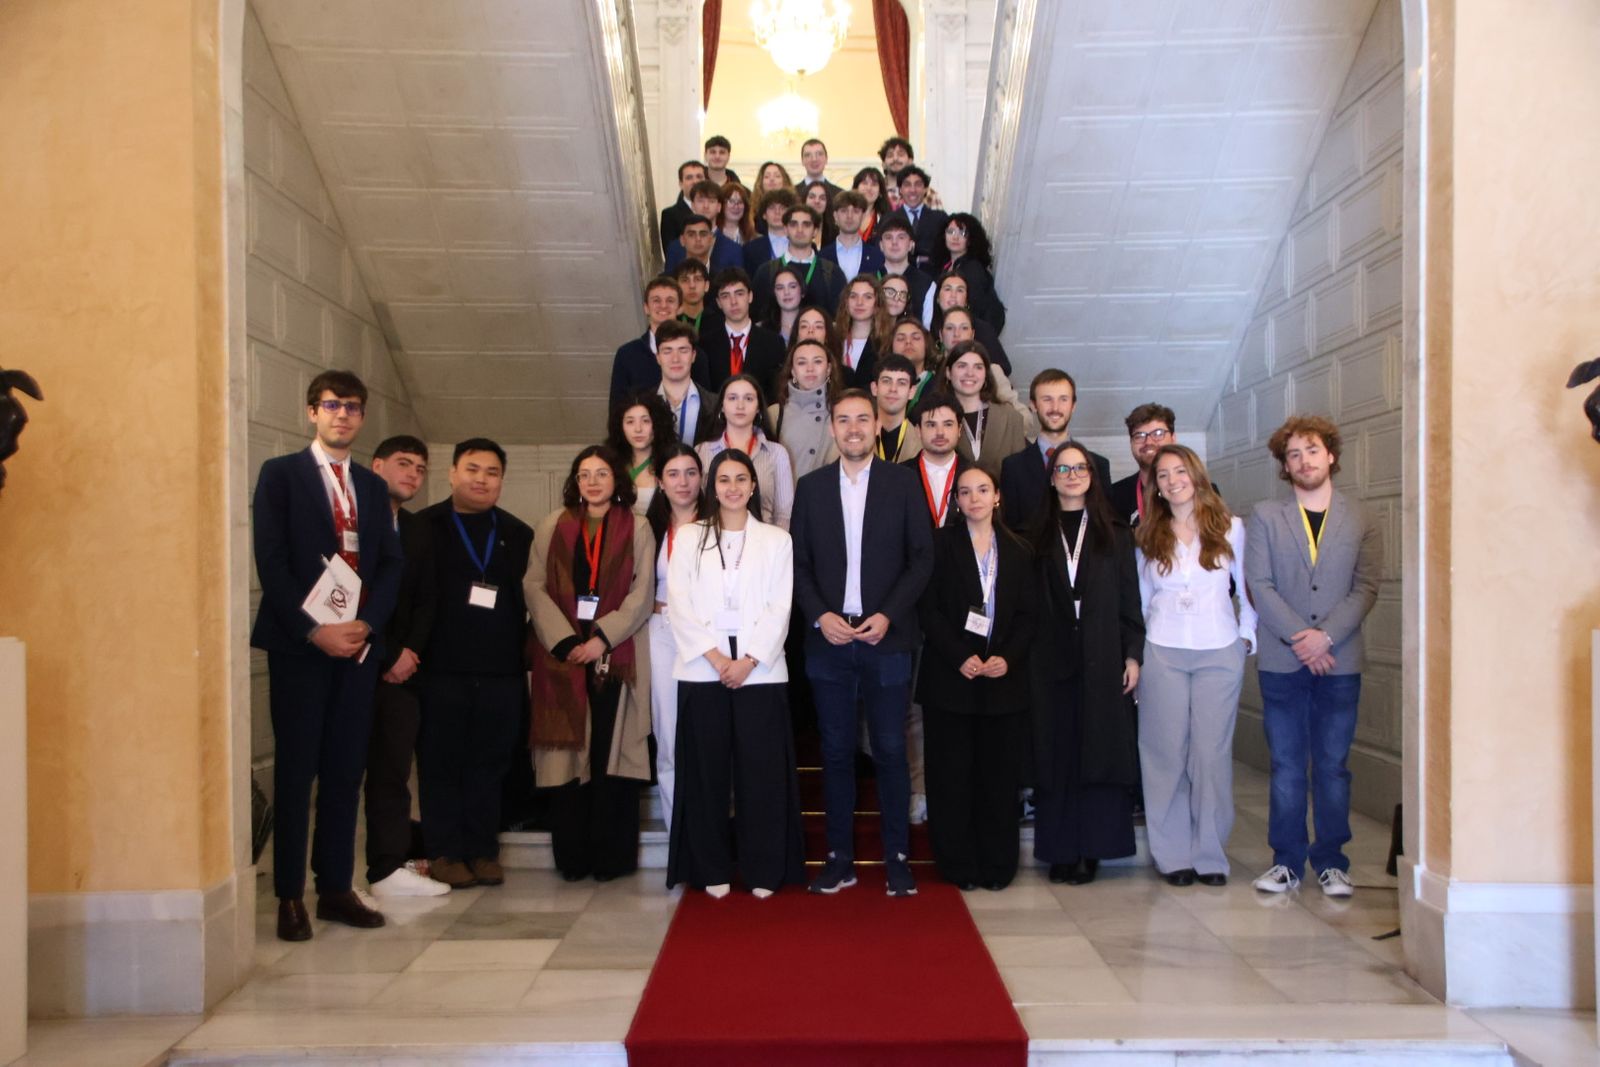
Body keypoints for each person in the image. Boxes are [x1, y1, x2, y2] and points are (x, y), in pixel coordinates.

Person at [252, 370, 402, 940]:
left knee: (346, 771)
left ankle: (335, 886)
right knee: (298, 772)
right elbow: (272, 560)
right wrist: (315, 630)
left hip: (358, 646)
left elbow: (389, 563)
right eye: (332, 405)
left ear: (362, 419)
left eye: (353, 408)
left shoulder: (368, 484)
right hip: (302, 647)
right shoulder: (282, 475)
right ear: (312, 412)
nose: (343, 415)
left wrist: (366, 624)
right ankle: (290, 895)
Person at [791, 389, 934, 897]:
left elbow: (922, 557)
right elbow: (799, 564)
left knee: (892, 749)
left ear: (877, 426)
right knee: (834, 752)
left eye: (861, 420)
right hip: (829, 640)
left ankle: (897, 858)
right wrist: (821, 615)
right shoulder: (810, 489)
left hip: (887, 639)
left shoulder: (903, 482)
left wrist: (887, 615)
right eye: (843, 420)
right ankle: (839, 859)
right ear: (832, 428)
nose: (852, 428)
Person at [1246, 416, 1382, 898]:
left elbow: (1366, 587)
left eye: (1312, 450)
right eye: (1294, 454)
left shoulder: (1362, 517)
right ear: (1285, 465)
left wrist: (1324, 638)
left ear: (1331, 455)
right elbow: (1259, 585)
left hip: (1340, 662)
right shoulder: (1265, 516)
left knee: (1331, 766)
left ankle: (1331, 861)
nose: (1304, 460)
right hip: (1283, 663)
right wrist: (1302, 637)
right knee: (1286, 765)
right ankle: (1286, 861)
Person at [666, 449, 806, 898]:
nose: (731, 487)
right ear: (712, 486)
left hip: (760, 672)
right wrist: (715, 658)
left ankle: (764, 869)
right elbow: (679, 603)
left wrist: (747, 660)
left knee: (760, 774)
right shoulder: (689, 537)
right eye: (723, 479)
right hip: (701, 669)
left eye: (740, 479)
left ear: (752, 486)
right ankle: (711, 869)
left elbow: (780, 606)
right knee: (706, 773)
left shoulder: (775, 540)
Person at [526, 446, 655, 882]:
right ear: (575, 482)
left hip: (614, 656)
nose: (594, 481)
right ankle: (574, 858)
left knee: (609, 758)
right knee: (568, 762)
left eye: (602, 473)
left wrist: (601, 638)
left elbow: (642, 593)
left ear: (617, 479)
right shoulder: (552, 525)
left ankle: (611, 859)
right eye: (585, 475)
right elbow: (534, 585)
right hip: (562, 657)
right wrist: (565, 642)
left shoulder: (637, 527)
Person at [1134, 444, 1257, 887]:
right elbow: (1144, 599)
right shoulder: (1147, 532)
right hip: (1163, 649)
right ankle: (1173, 855)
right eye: (1163, 475)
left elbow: (1247, 587)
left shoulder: (1231, 527)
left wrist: (1246, 636)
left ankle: (1209, 854)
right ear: (1156, 487)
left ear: (1196, 475)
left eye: (1179, 471)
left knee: (1210, 755)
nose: (1172, 480)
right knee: (1165, 753)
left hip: (1218, 648)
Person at [413, 439, 533, 890]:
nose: (481, 479)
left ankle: (483, 850)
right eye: (472, 469)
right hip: (441, 668)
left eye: (492, 472)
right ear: (451, 473)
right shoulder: (424, 527)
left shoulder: (518, 534)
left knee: (491, 762)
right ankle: (444, 851)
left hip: (501, 669)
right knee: (441, 762)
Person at [1027, 441, 1144, 885]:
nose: (1072, 475)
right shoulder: (1032, 532)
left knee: (1098, 748)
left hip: (1103, 655)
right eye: (1063, 468)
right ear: (1051, 477)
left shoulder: (1115, 532)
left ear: (1093, 477)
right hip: (1048, 659)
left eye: (1080, 468)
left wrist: (1133, 654)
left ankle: (1094, 849)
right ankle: (1059, 849)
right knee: (1057, 753)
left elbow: (1130, 602)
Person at [917, 465, 1036, 890]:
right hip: (952, 679)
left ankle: (998, 865)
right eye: (965, 492)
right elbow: (927, 609)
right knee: (951, 778)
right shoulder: (938, 544)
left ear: (997, 496)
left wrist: (1008, 656)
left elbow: (1027, 615)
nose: (975, 498)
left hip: (1003, 681)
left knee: (998, 778)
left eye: (983, 490)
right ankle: (957, 865)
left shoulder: (1020, 549)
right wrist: (959, 656)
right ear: (958, 501)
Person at [364, 436, 449, 899]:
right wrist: (386, 652)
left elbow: (427, 601)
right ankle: (336, 877)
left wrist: (408, 653)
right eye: (403, 464)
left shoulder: (418, 530)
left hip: (404, 670)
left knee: (392, 773)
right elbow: (350, 596)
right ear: (377, 466)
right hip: (356, 661)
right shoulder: (352, 523)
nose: (412, 475)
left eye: (420, 468)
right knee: (338, 776)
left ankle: (387, 868)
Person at [643, 446, 706, 838]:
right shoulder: (647, 528)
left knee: (707, 732)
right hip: (661, 631)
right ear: (660, 482)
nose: (683, 482)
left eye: (690, 473)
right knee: (668, 734)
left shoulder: (721, 522)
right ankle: (677, 831)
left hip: (707, 637)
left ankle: (711, 826)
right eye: (673, 474)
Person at [1000, 369, 1111, 533]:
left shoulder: (1098, 465)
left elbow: (1106, 528)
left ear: (1073, 406)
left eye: (1063, 400)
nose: (1055, 408)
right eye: (1047, 400)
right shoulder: (1013, 467)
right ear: (1033, 405)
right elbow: (1010, 532)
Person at [695, 373, 795, 529]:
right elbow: (697, 507)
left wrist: (773, 547)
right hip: (713, 542)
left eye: (748, 399)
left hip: (765, 544)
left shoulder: (777, 453)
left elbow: (783, 515)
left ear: (758, 408)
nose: (740, 405)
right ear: (722, 405)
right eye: (732, 398)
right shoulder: (702, 451)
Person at [608, 276, 708, 407]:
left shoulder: (697, 355)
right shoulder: (626, 355)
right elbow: (617, 410)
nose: (663, 306)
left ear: (680, 308)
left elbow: (707, 409)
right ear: (646, 308)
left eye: (670, 300)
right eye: (656, 300)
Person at [946, 341, 1025, 480]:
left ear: (986, 374)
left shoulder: (1010, 417)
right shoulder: (935, 418)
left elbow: (1021, 478)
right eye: (962, 366)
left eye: (978, 367)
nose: (970, 373)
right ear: (948, 373)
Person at [701, 268, 786, 396]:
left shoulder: (773, 343)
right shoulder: (705, 344)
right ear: (718, 303)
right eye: (725, 296)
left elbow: (776, 392)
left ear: (750, 296)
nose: (733, 302)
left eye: (739, 294)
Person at [751, 206, 844, 319]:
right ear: (785, 229)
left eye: (806, 224)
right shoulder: (766, 272)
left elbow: (839, 319)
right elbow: (756, 317)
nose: (800, 230)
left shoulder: (832, 272)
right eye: (794, 224)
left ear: (815, 231)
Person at [769, 337, 842, 479]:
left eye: (817, 361)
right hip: (787, 499)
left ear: (828, 369)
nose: (810, 369)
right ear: (793, 371)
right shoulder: (775, 413)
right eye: (802, 362)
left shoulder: (842, 412)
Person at [607, 391, 677, 516]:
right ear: (620, 427)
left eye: (645, 421)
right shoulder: (610, 465)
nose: (638, 429)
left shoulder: (672, 465)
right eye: (630, 422)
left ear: (658, 424)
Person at [1110, 403, 1178, 526]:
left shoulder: (1198, 490)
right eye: (1139, 436)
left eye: (1158, 434)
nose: (1148, 442)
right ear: (1131, 442)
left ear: (1173, 438)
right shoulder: (1113, 496)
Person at [932, 273, 1010, 374]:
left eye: (960, 290)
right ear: (937, 297)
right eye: (947, 289)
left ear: (966, 301)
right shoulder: (930, 328)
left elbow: (1003, 368)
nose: (953, 295)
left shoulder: (982, 328)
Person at [940, 213, 1005, 332]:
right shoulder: (947, 265)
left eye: (963, 233)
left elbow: (976, 311)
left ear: (970, 240)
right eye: (951, 232)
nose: (955, 237)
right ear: (944, 235)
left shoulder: (973, 269)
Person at [653, 320, 713, 445]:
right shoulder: (642, 406)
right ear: (658, 357)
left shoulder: (715, 405)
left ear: (693, 355)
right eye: (667, 351)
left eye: (683, 350)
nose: (675, 359)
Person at [834, 276, 892, 389]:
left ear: (877, 305)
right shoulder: (833, 339)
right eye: (853, 296)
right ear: (846, 302)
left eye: (868, 297)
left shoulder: (887, 343)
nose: (859, 302)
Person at [878, 217, 935, 326]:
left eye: (901, 237)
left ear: (911, 245)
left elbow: (927, 329)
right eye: (888, 237)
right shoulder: (869, 281)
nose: (894, 242)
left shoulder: (926, 284)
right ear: (881, 245)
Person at [820, 191, 886, 283]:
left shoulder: (877, 256)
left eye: (855, 211)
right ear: (835, 216)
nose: (849, 216)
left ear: (863, 216)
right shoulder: (822, 256)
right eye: (844, 211)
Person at [889, 166, 948, 270]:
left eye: (918, 184)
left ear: (925, 189)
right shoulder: (889, 219)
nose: (913, 190)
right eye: (907, 185)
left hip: (932, 278)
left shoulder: (940, 219)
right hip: (898, 277)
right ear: (900, 190)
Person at [871, 354, 921, 463]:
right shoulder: (858, 435)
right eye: (886, 381)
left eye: (901, 383)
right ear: (874, 388)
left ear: (911, 392)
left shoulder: (922, 441)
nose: (893, 389)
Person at [665, 214, 742, 275]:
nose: (698, 239)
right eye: (691, 234)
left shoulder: (724, 280)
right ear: (682, 240)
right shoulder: (669, 280)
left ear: (712, 240)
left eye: (703, 234)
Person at [660, 160, 708, 255]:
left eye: (699, 177)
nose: (695, 181)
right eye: (689, 178)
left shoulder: (717, 210)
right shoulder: (670, 215)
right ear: (681, 184)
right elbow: (672, 253)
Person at [744, 188, 797, 271]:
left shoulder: (803, 245)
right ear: (764, 214)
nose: (777, 212)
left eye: (782, 208)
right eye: (772, 208)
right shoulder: (750, 249)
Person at [755, 264, 807, 344]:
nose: (786, 292)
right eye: (780, 288)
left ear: (802, 291)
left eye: (792, 286)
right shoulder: (760, 329)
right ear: (774, 294)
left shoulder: (814, 327)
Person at [795, 137, 843, 204]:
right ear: (802, 161)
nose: (814, 159)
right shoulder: (792, 193)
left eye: (819, 154)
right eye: (808, 155)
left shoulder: (839, 194)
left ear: (826, 159)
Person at [852, 166, 892, 244]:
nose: (869, 188)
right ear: (856, 188)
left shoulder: (886, 218)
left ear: (880, 192)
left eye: (874, 184)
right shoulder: (844, 214)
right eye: (864, 183)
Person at [803, 181, 838, 248]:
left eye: (822, 198)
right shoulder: (794, 229)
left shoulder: (836, 233)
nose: (817, 201)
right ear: (804, 200)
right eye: (812, 197)